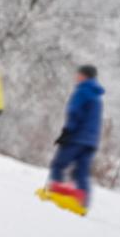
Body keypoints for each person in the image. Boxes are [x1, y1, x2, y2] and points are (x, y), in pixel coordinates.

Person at [45, 64, 105, 210]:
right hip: (91, 141)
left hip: (77, 137)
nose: (76, 77)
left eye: (78, 74)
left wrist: (67, 132)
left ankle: (56, 194)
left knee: (58, 164)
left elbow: (74, 112)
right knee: (81, 172)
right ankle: (83, 204)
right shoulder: (97, 96)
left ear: (84, 76)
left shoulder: (82, 91)